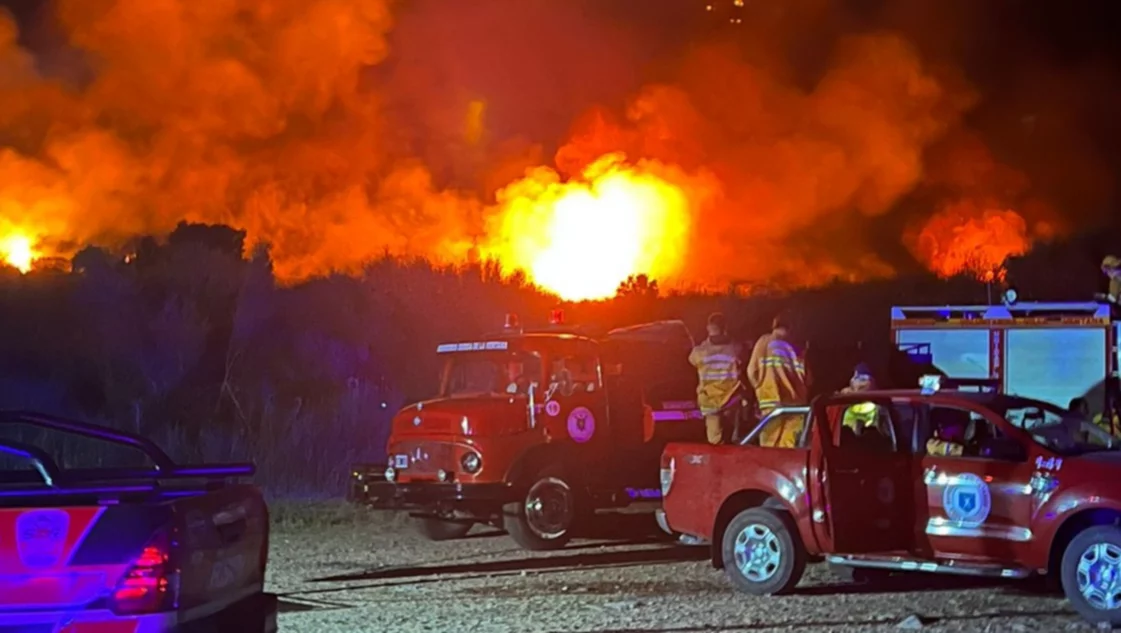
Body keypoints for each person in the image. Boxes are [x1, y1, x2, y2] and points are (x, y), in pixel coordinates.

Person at [748, 314, 810, 447]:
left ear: (774, 324)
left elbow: (751, 371)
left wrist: (759, 389)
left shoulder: (764, 341)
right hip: (796, 405)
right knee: (788, 448)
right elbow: (808, 379)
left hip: (771, 401)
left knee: (769, 447)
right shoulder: (798, 346)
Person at [688, 312, 746, 445]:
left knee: (715, 442)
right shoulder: (735, 349)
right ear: (725, 327)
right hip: (731, 399)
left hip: (709, 399)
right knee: (734, 441)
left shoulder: (699, 352)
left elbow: (691, 360)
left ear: (709, 328)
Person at [840, 363, 878, 431]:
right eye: (855, 378)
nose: (856, 381)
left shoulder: (878, 411)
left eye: (862, 379)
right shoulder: (842, 404)